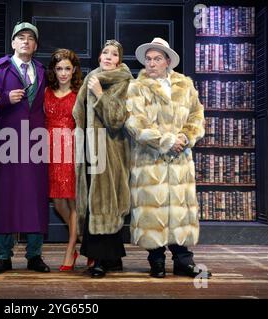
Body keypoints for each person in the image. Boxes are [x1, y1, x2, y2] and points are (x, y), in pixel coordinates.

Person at [126, 37, 212, 279]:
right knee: (153, 211)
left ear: (168, 62)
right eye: (148, 59)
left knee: (179, 211)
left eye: (157, 59)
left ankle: (184, 261)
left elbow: (197, 115)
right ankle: (156, 261)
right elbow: (135, 123)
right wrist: (166, 141)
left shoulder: (185, 85)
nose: (151, 63)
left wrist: (185, 136)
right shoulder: (137, 87)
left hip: (180, 160)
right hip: (150, 160)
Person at [0, 22, 50, 274]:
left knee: (35, 198)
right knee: (5, 197)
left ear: (35, 45)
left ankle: (34, 255)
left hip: (35, 141)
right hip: (7, 141)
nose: (25, 42)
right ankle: (3, 256)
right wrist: (2, 100)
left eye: (30, 39)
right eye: (20, 38)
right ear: (13, 42)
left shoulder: (43, 71)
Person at [73, 40, 133, 278]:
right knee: (93, 202)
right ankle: (113, 257)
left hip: (111, 151)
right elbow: (78, 111)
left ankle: (99, 259)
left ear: (119, 60)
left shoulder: (126, 82)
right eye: (105, 53)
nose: (108, 56)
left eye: (114, 54)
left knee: (106, 202)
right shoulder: (91, 79)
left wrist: (100, 95)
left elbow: (118, 119)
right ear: (99, 57)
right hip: (90, 149)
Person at [44, 49, 82, 271]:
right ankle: (82, 239)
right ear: (54, 70)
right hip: (49, 149)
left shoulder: (80, 94)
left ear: (74, 70)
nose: (63, 73)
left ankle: (70, 248)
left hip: (72, 148)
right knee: (58, 202)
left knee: (74, 201)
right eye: (59, 69)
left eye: (68, 68)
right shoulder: (46, 92)